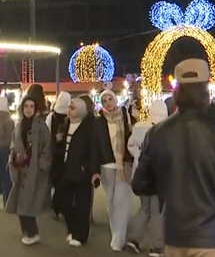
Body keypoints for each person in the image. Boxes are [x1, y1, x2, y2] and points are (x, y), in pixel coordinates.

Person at [133, 59, 215, 257]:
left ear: (176, 91)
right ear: (207, 91)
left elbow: (140, 184)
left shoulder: (158, 132)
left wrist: (168, 183)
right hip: (211, 237)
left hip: (173, 235)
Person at [6, 96, 52, 246]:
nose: (28, 109)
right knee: (22, 203)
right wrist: (14, 158)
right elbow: (13, 145)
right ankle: (28, 232)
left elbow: (47, 148)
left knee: (29, 204)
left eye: (31, 106)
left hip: (34, 171)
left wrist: (40, 165)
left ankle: (32, 232)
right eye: (26, 106)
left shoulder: (42, 127)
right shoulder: (18, 125)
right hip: (21, 170)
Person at [91, 89, 134, 251]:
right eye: (104, 101)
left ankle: (118, 238)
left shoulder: (126, 117)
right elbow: (94, 147)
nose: (108, 103)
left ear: (116, 100)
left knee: (121, 201)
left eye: (110, 99)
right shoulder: (99, 122)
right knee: (111, 201)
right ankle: (116, 232)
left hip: (124, 164)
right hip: (107, 165)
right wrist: (94, 170)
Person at [126, 99, 168, 257]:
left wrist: (138, 155)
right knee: (157, 212)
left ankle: (134, 239)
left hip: (141, 173)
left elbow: (130, 145)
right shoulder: (164, 130)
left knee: (144, 209)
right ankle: (157, 247)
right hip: (158, 176)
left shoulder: (139, 127)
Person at [53, 97, 94, 247]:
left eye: (73, 108)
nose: (69, 110)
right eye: (69, 107)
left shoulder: (89, 127)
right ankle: (73, 229)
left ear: (81, 110)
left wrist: (88, 167)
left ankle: (81, 235)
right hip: (66, 169)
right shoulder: (66, 124)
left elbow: (93, 149)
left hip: (82, 171)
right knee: (64, 200)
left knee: (83, 204)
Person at [47, 92, 72, 219]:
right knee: (58, 182)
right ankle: (57, 207)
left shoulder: (53, 117)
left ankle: (57, 207)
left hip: (62, 154)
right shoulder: (53, 118)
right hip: (56, 154)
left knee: (60, 182)